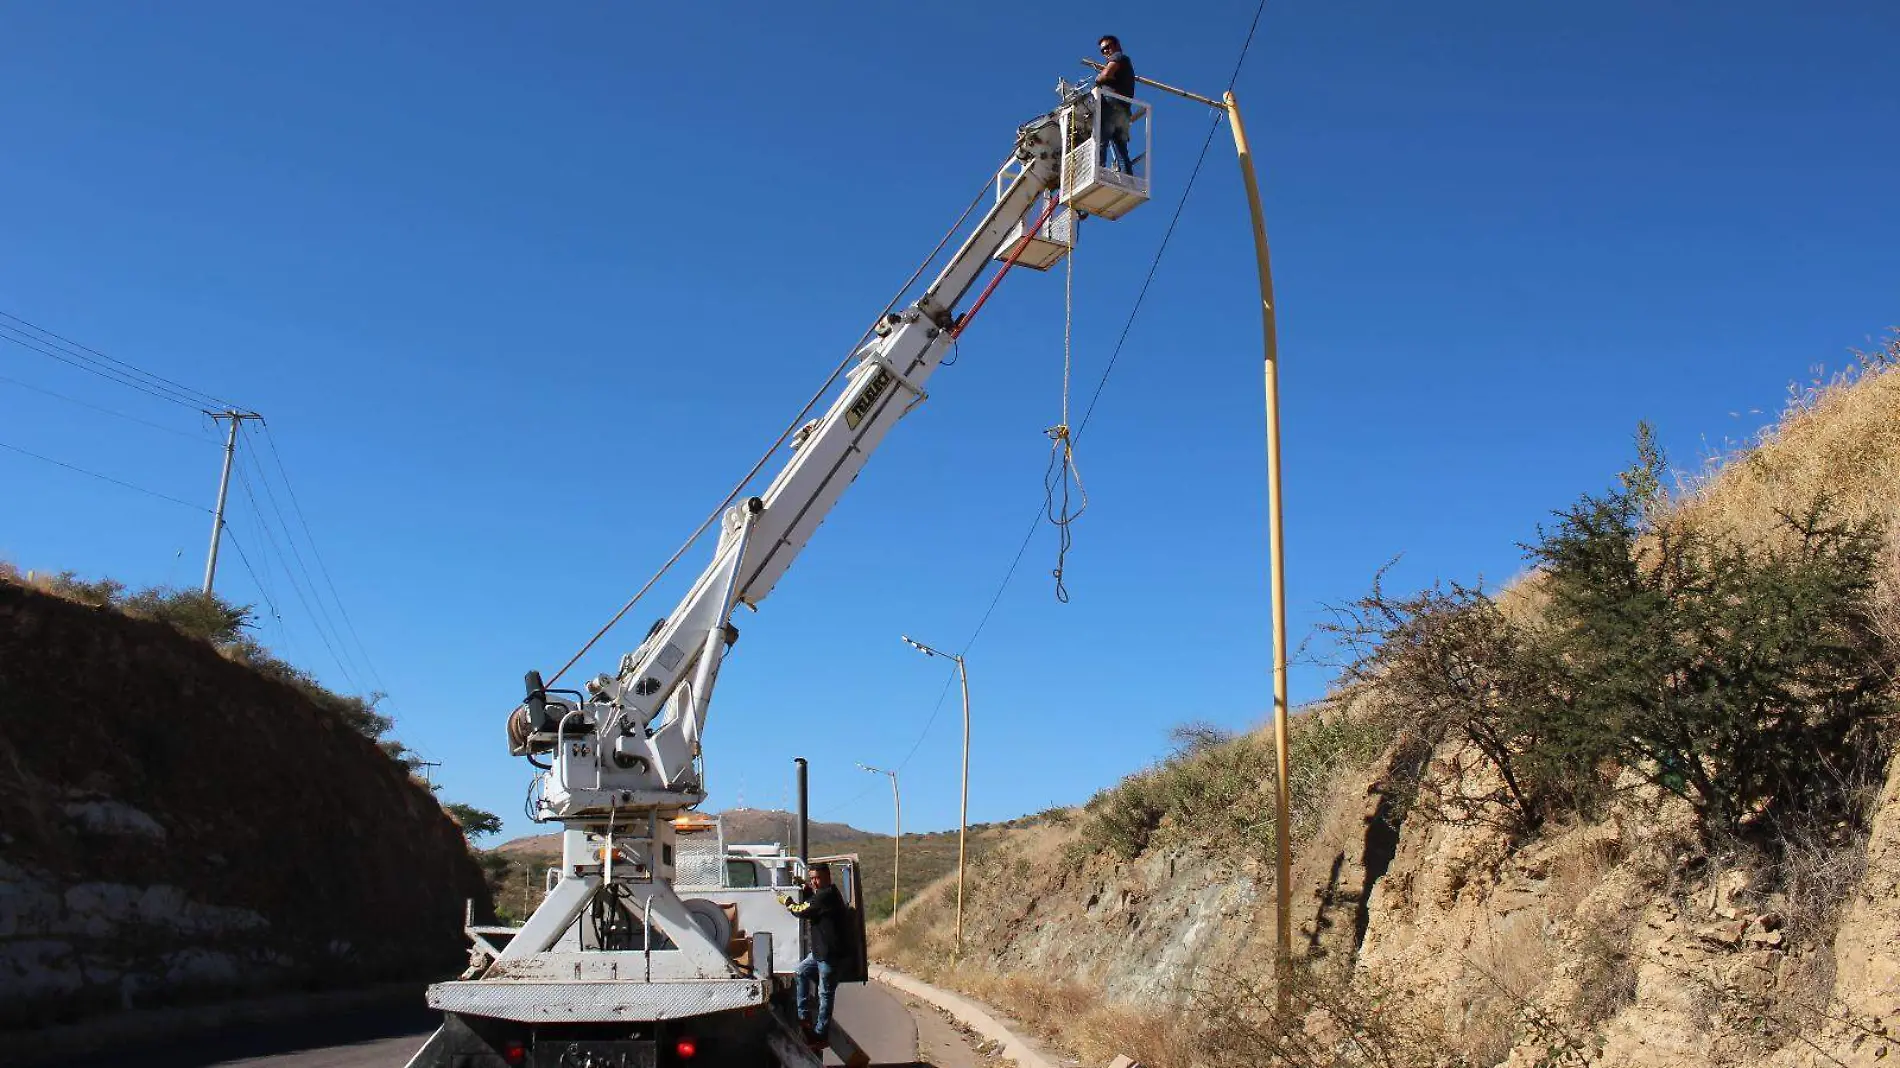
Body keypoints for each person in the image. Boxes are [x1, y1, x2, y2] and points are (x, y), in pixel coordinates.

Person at [780, 863, 851, 1046]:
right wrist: (805, 887)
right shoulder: (823, 895)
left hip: (829, 955)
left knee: (825, 994)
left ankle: (820, 1034)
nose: (814, 882)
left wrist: (787, 902)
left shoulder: (827, 896)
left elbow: (801, 910)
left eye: (817, 878)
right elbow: (813, 902)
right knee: (800, 972)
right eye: (812, 878)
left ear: (828, 877)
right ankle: (803, 1017)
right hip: (819, 953)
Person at [1095, 35, 1136, 174]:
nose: (1106, 51)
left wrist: (1099, 77)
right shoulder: (1125, 63)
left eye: (1108, 47)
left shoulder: (1119, 56)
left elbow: (1106, 74)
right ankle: (1128, 178)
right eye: (1103, 50)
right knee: (1120, 149)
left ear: (1117, 45)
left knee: (1101, 140)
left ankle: (1098, 171)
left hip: (1112, 106)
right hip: (1123, 111)